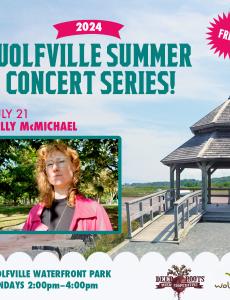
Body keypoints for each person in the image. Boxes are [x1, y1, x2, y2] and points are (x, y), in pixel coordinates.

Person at [23, 142, 113, 231]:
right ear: (45, 172)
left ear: (74, 166)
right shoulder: (34, 213)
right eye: (49, 164)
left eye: (61, 161)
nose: (55, 168)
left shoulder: (95, 210)